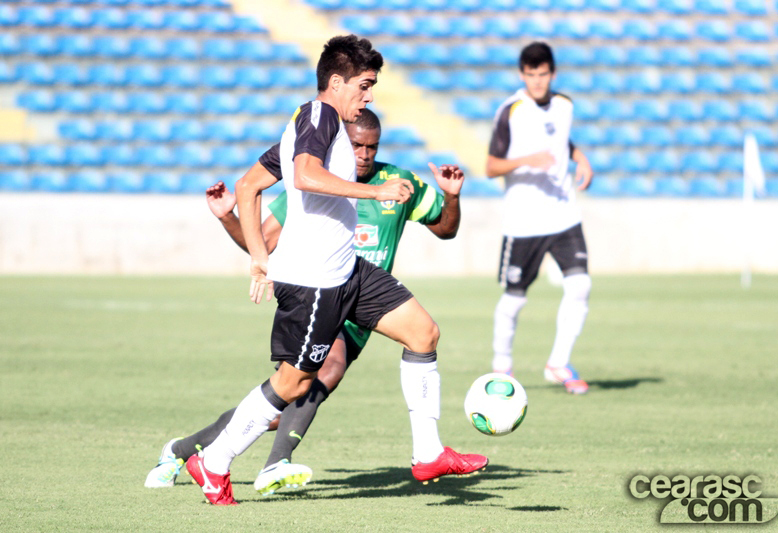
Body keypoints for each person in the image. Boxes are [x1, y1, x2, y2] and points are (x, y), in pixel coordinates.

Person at [161, 35, 486, 505]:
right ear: (337, 82)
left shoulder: (313, 124)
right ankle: (212, 461)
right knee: (293, 383)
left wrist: (258, 254)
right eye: (365, 85)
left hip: (347, 271)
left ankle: (428, 453)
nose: (370, 96)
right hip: (314, 280)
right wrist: (376, 193)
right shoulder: (318, 117)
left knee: (423, 333)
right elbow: (305, 176)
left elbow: (248, 185)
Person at [486, 41, 594, 395]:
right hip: (524, 221)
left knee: (580, 286)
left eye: (543, 74)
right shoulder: (511, 111)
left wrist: (581, 158)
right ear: (522, 75)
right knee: (514, 298)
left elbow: (561, 140)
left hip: (564, 215)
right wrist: (526, 160)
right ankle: (502, 366)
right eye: (531, 75)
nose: (537, 81)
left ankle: (558, 363)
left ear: (552, 73)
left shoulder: (564, 105)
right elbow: (490, 166)